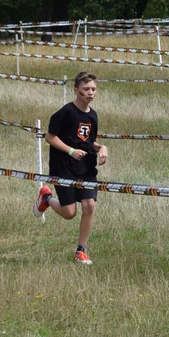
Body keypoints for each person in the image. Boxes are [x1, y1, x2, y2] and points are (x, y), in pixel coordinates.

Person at [32, 71, 109, 265]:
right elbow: (50, 137)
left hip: (86, 169)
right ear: (76, 91)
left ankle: (81, 250)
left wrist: (102, 149)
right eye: (86, 89)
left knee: (89, 205)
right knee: (69, 213)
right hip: (64, 167)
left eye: (93, 89)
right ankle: (46, 198)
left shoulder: (93, 116)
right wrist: (70, 151)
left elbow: (88, 142)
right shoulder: (65, 112)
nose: (90, 93)